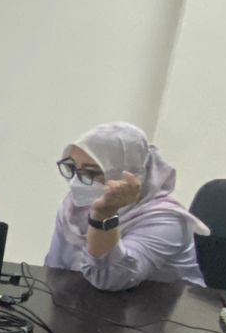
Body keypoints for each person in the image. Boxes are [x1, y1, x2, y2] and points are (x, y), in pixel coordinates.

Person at [46, 122, 210, 291]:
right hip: (89, 301)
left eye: (92, 172)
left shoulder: (167, 221)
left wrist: (104, 215)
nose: (76, 181)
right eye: (72, 167)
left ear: (131, 175)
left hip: (156, 304)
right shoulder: (74, 207)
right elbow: (55, 270)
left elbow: (110, 278)